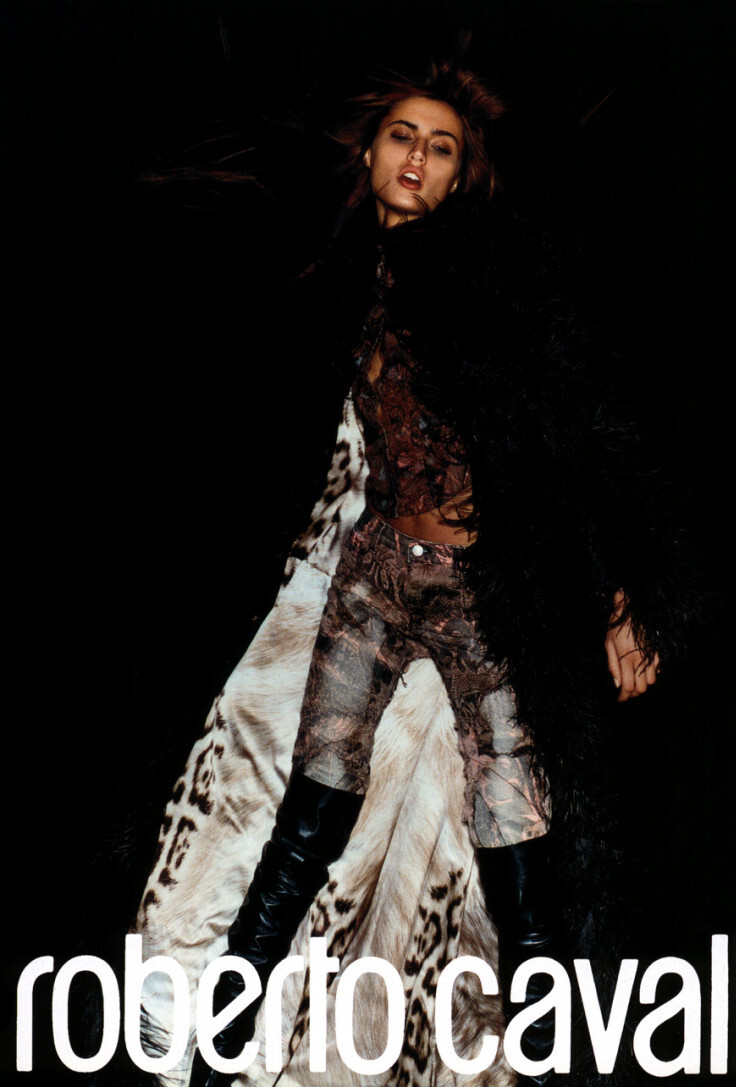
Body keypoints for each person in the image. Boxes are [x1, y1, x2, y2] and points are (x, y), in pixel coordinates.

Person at [136, 56, 694, 1087]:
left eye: (441, 148)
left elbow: (579, 439)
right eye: (403, 136)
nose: (418, 158)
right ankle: (216, 1064)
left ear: (459, 176)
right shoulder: (331, 278)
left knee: (519, 865)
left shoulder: (493, 285)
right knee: (299, 840)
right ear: (369, 151)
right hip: (372, 574)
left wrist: (625, 592)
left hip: (481, 601)